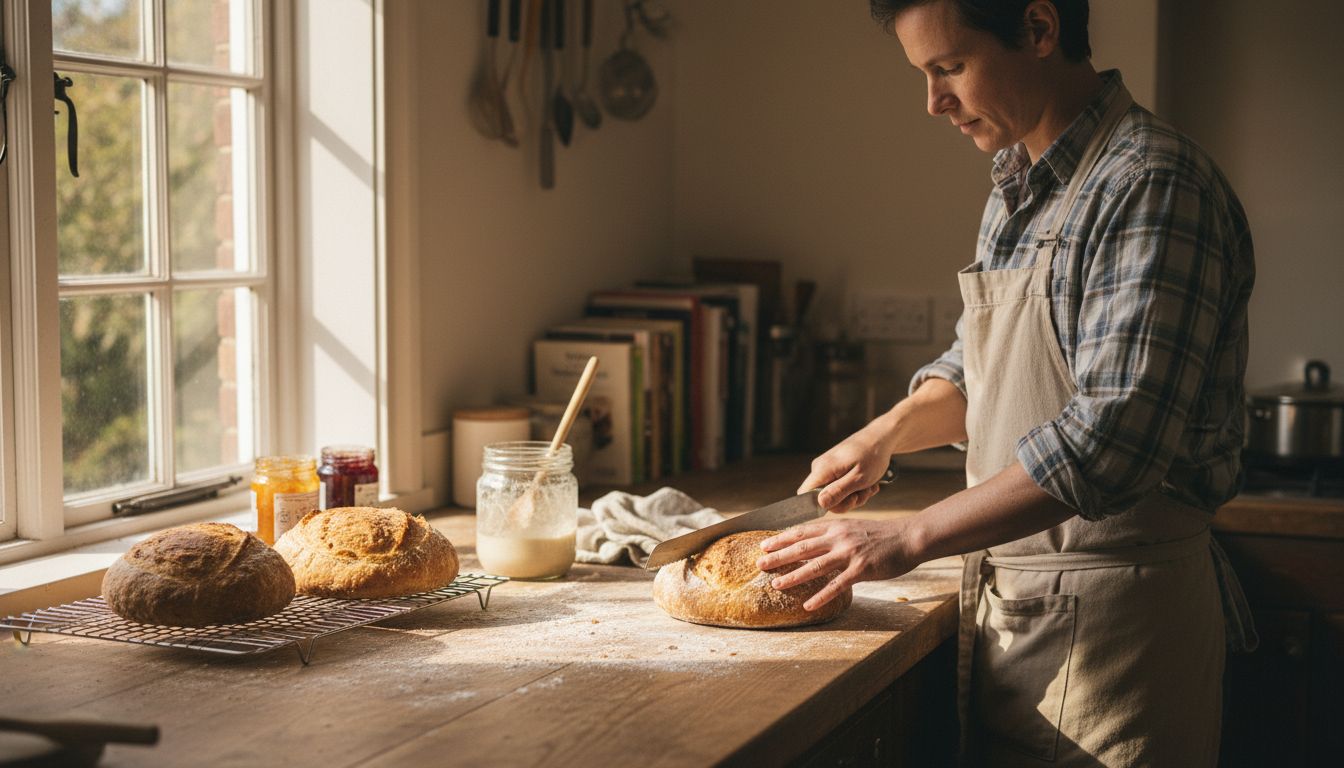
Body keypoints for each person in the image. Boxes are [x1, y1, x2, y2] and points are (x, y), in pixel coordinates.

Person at [754, 0, 1257, 764]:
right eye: (923, 75)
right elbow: (978, 366)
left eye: (949, 67)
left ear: (1040, 29)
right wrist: (884, 433)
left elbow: (1111, 442)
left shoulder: (1151, 185)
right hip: (1018, 611)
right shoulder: (1020, 181)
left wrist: (909, 533)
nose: (933, 103)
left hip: (1121, 630)